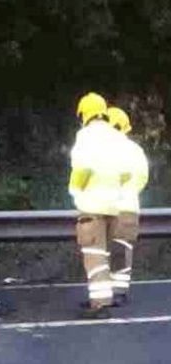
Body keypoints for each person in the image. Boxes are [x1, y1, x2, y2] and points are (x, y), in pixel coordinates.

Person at [68, 93, 127, 317]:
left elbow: (82, 168)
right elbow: (126, 172)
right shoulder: (117, 136)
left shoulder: (86, 136)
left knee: (94, 255)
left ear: (84, 113)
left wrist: (74, 190)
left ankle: (100, 303)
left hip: (92, 204)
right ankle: (107, 296)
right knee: (106, 254)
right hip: (115, 205)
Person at [106, 106, 149, 305]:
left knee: (104, 250)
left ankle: (105, 293)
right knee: (122, 249)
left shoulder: (101, 149)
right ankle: (120, 292)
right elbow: (142, 178)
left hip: (105, 206)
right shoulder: (135, 150)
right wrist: (130, 192)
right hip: (128, 205)